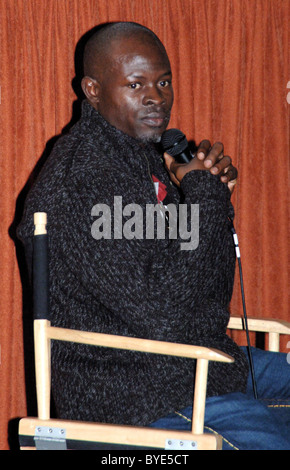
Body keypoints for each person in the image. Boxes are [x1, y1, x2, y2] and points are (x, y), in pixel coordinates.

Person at [17, 21, 290, 450]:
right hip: (133, 392)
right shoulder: (85, 180)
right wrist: (204, 200)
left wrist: (211, 201)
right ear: (92, 90)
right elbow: (164, 314)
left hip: (192, 364)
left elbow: (204, 292)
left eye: (163, 82)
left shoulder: (143, 157)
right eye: (135, 83)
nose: (156, 97)